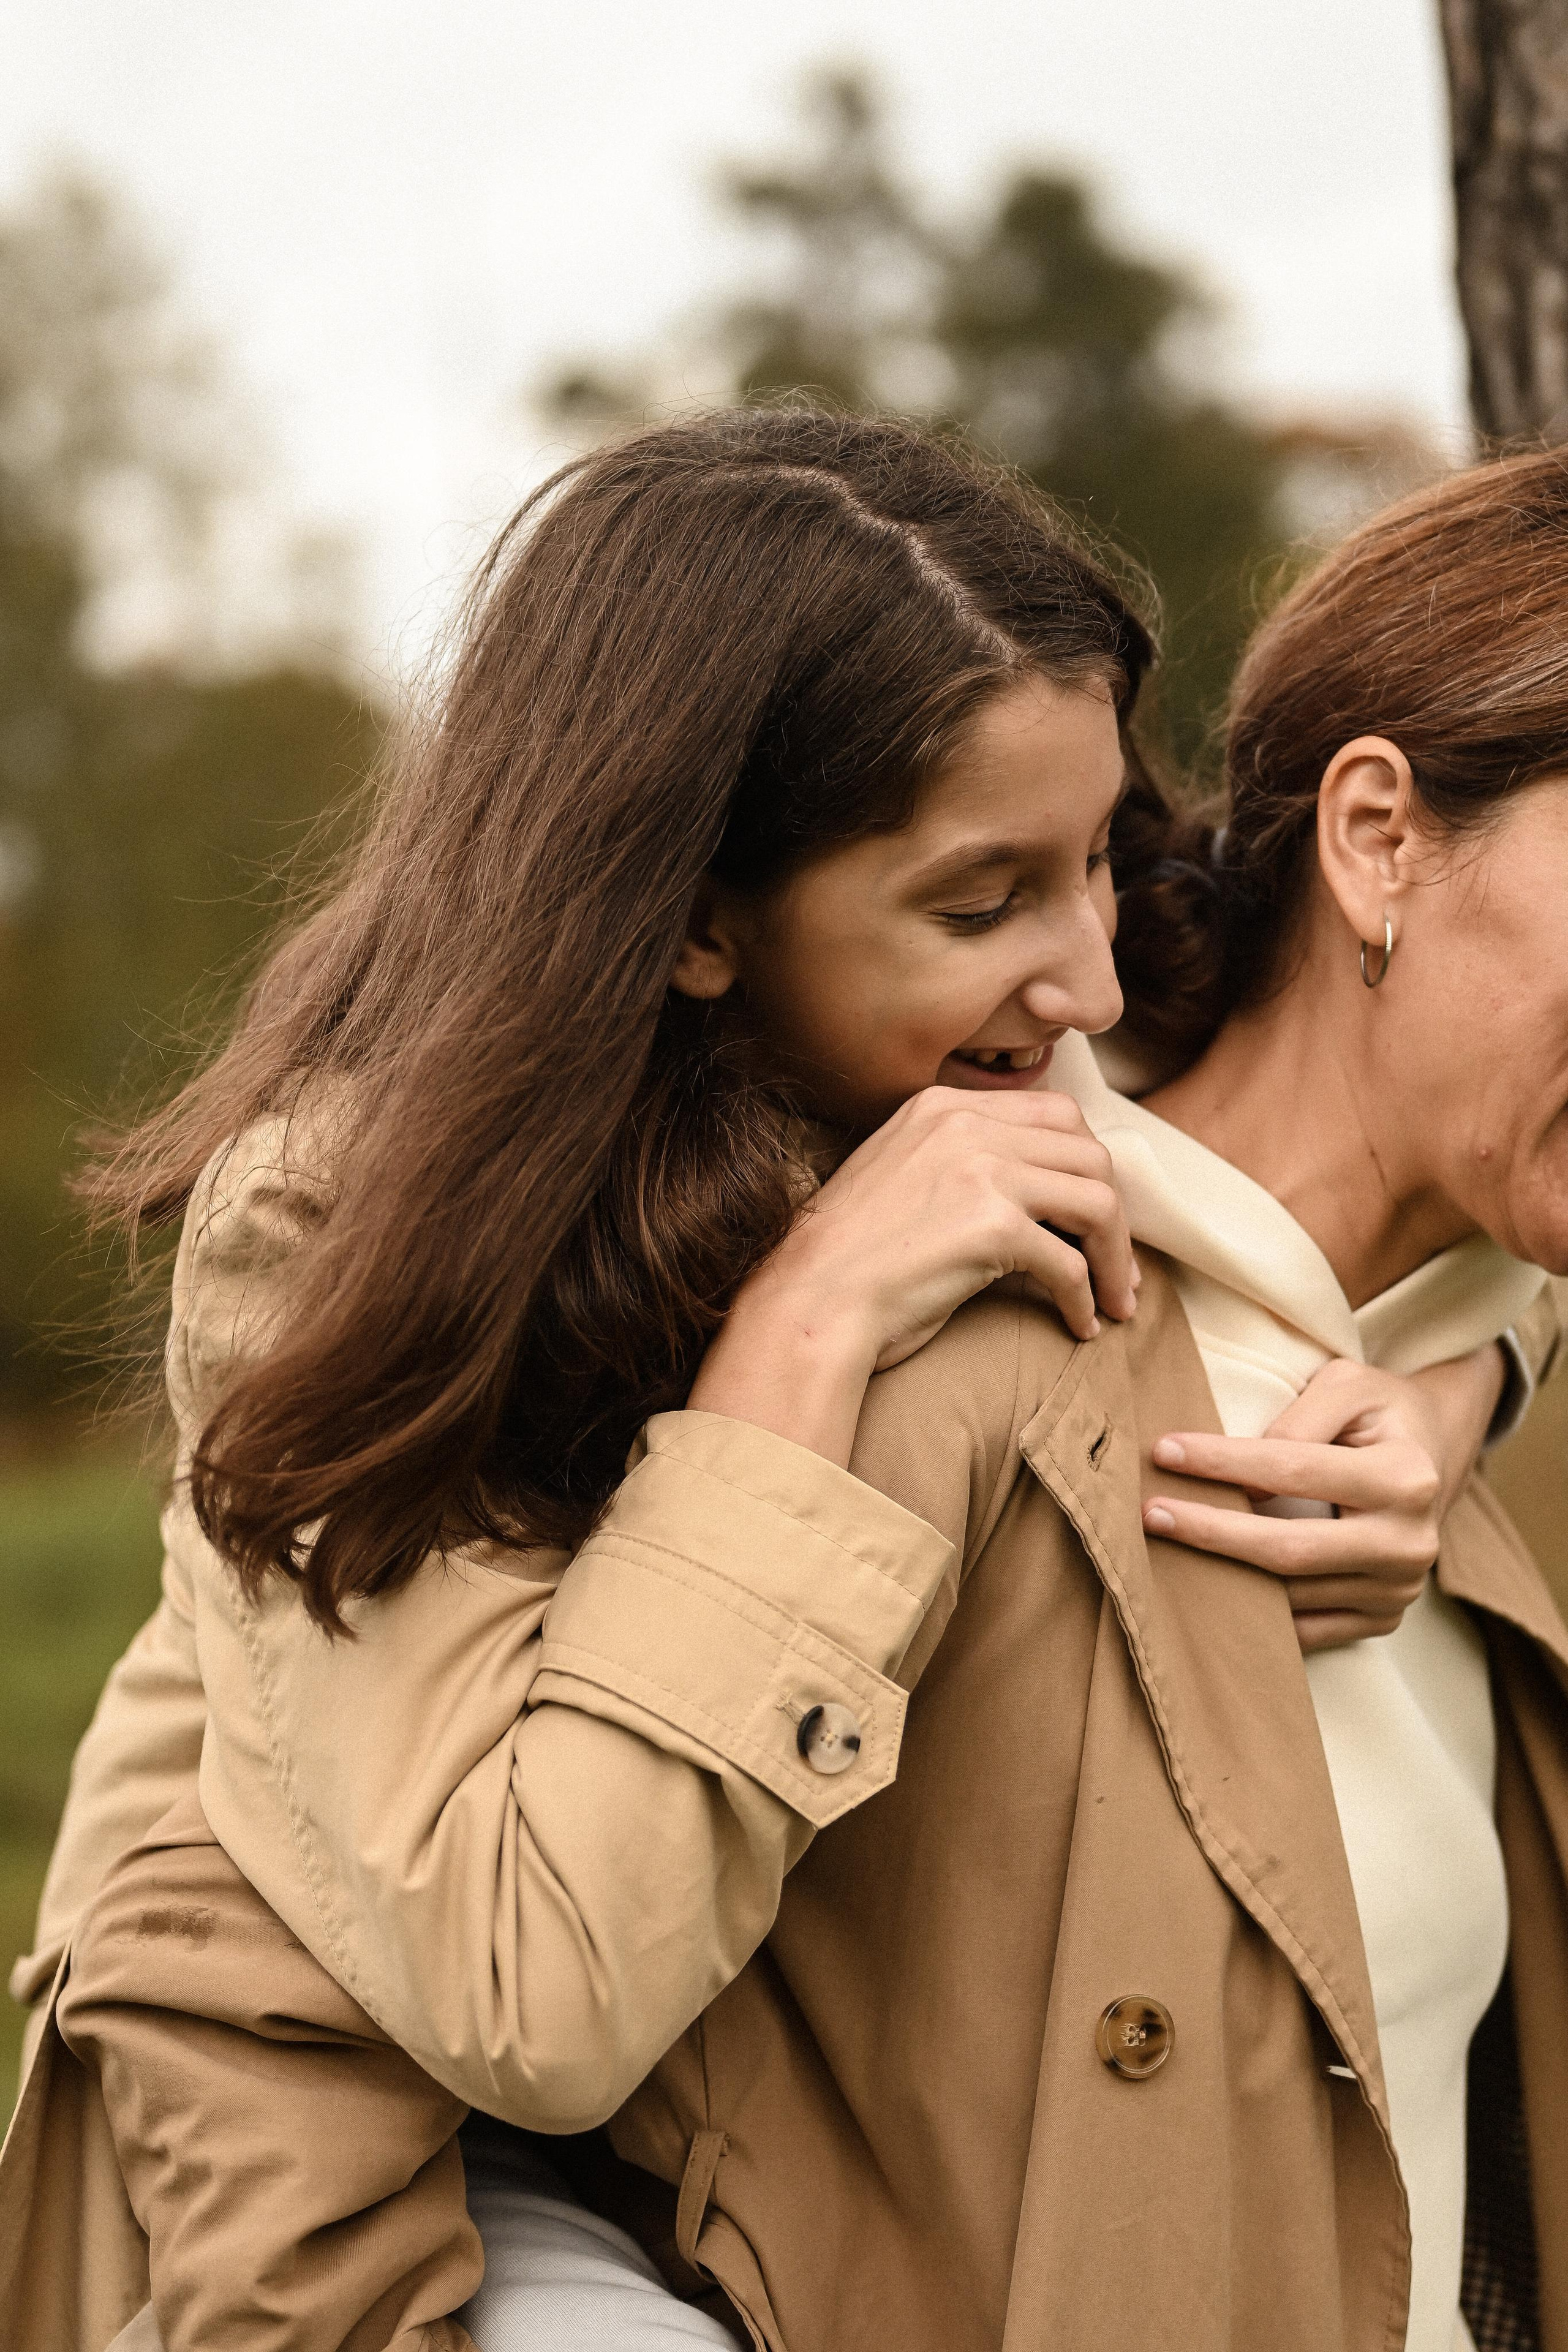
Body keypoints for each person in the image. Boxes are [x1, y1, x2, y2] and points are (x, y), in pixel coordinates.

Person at [0, 415, 1551, 2352]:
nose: (1081, 974)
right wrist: (802, 1331)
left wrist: (1463, 1383)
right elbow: (513, 1985)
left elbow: (1397, 1125)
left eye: (1095, 859)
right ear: (702, 919)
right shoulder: (353, 1234)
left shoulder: (1097, 1012)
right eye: (986, 902)